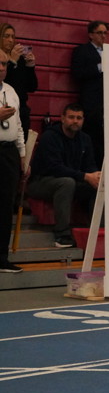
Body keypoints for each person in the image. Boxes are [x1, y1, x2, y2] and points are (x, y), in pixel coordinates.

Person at [25, 104, 99, 248]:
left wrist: (96, 175)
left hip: (71, 179)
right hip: (40, 182)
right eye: (71, 117)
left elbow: (90, 164)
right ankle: (62, 234)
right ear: (63, 118)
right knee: (66, 182)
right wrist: (85, 176)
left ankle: (99, 231)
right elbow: (55, 168)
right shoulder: (50, 137)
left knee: (99, 184)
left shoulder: (85, 139)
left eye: (79, 118)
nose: (75, 121)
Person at [0, 51, 27, 272]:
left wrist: (23, 155)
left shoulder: (10, 90)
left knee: (5, 206)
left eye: (4, 64)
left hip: (8, 152)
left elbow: (18, 126)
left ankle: (1, 258)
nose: (1, 68)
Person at [70, 20, 109, 164]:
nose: (103, 36)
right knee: (91, 138)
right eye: (99, 33)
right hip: (91, 102)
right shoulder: (82, 51)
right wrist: (99, 67)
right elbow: (78, 73)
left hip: (108, 101)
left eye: (105, 33)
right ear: (91, 35)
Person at [0, 22, 37, 135]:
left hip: (21, 109)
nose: (10, 40)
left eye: (13, 36)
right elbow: (3, 82)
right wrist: (11, 62)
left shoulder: (20, 59)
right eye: (6, 36)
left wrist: (30, 67)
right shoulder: (5, 60)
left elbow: (32, 87)